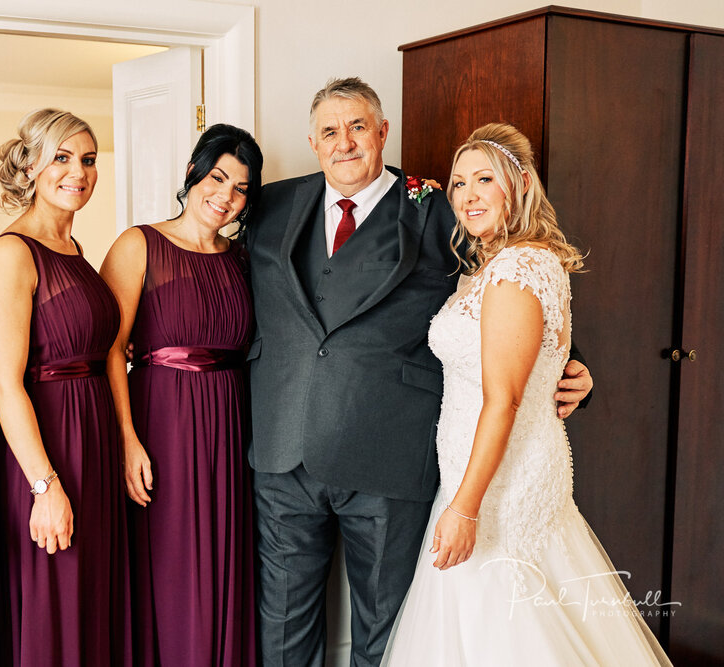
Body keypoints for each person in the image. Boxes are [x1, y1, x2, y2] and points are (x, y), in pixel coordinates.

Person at [244, 78, 595, 666]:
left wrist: (573, 363)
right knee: (280, 628)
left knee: (389, 630)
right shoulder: (271, 206)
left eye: (359, 127)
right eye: (330, 131)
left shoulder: (438, 208)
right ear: (312, 140)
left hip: (391, 454)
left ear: (383, 132)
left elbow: (510, 286)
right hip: (283, 452)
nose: (345, 142)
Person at [381, 123, 670, 665]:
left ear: (516, 185)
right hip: (478, 468)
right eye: (459, 182)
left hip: (499, 483)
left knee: (506, 623)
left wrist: (465, 509)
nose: (467, 195)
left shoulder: (516, 266)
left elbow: (505, 399)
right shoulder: (493, 265)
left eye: (483, 179)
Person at [100, 123, 262, 665]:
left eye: (241, 188)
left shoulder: (243, 260)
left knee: (226, 561)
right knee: (169, 564)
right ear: (192, 172)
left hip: (232, 428)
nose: (226, 196)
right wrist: (126, 441)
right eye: (218, 178)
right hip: (162, 426)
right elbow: (109, 350)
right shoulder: (138, 244)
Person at [0, 108, 131, 665]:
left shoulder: (77, 252)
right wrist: (44, 486)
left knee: (91, 596)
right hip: (47, 447)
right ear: (32, 166)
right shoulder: (12, 252)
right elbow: (4, 379)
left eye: (89, 160)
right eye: (63, 158)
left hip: (92, 438)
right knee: (54, 598)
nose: (80, 172)